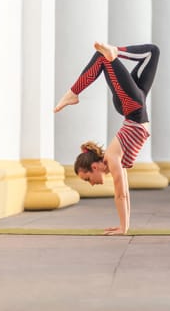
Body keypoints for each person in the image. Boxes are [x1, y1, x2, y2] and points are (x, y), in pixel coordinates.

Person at [54, 42, 160, 235]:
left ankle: (73, 93)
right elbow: (125, 192)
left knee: (106, 56)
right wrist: (125, 226)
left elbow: (119, 195)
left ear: (94, 167)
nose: (91, 184)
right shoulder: (114, 159)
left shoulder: (112, 158)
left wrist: (122, 228)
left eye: (87, 179)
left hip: (132, 106)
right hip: (135, 105)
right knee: (151, 52)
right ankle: (77, 89)